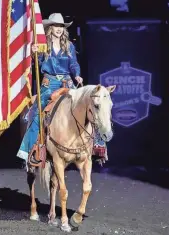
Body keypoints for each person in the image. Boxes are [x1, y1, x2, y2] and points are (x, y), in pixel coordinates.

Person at [17, 13, 108, 169]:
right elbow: (38, 63)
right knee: (38, 113)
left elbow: (73, 64)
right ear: (50, 28)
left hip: (67, 81)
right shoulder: (43, 45)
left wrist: (77, 75)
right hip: (49, 83)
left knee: (90, 105)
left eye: (61, 26)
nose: (59, 29)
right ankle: (30, 152)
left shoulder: (69, 46)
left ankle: (98, 145)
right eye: (56, 26)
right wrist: (34, 53)